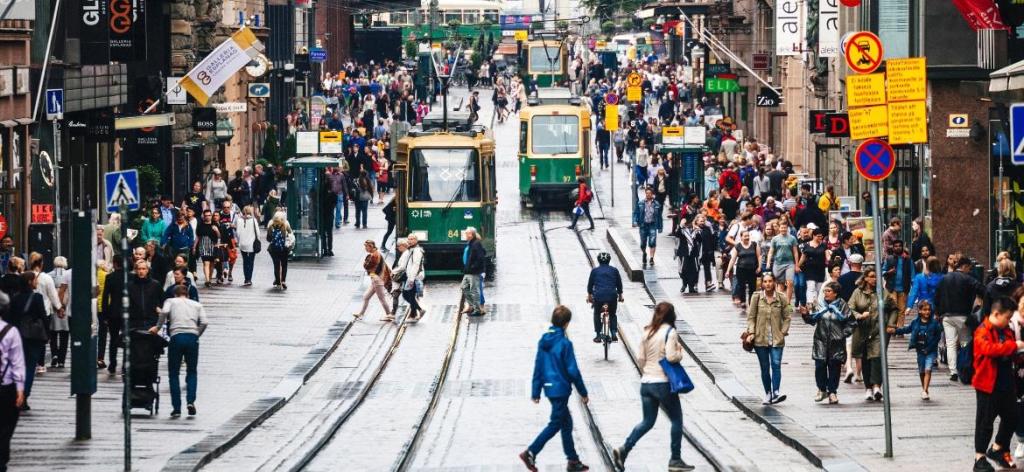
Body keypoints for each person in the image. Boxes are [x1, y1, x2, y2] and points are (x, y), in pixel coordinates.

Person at [612, 302, 693, 471]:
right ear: (671, 316)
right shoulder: (670, 333)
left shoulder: (647, 331)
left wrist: (647, 371)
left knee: (647, 421)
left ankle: (624, 449)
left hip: (646, 383)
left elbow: (640, 358)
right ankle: (675, 459)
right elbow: (671, 357)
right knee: (677, 419)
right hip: (662, 383)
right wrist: (680, 353)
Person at [520, 305, 590, 472]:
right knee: (555, 424)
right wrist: (583, 392)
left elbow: (538, 366)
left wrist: (536, 391)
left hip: (549, 389)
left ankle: (573, 460)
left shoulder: (544, 340)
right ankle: (530, 452)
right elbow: (573, 370)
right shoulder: (565, 344)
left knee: (566, 423)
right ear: (566, 324)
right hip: (561, 389)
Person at [972, 297, 1023, 472]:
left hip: (1006, 383)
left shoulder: (1006, 330)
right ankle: (979, 458)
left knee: (1012, 416)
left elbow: (1011, 352)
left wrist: (1018, 351)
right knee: (985, 422)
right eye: (1007, 317)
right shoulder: (982, 330)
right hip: (987, 384)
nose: (1009, 321)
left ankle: (997, 448)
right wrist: (1014, 346)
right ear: (996, 314)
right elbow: (989, 349)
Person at [150, 285, 208, 418]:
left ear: (175, 294)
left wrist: (158, 327)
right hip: (192, 338)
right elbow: (204, 322)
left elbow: (164, 312)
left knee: (174, 373)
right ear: (187, 294)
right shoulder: (197, 304)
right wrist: (196, 334)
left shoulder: (170, 301)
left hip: (176, 337)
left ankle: (176, 407)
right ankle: (190, 401)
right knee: (192, 371)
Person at [847, 267, 899, 401]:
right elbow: (850, 308)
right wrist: (858, 315)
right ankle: (868, 388)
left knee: (877, 357)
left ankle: (877, 386)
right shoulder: (857, 293)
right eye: (871, 276)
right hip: (862, 330)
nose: (874, 279)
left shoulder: (882, 293)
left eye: (876, 277)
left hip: (879, 330)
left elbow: (894, 309)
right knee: (865, 359)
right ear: (865, 278)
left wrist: (891, 324)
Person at [801, 282, 855, 404]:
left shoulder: (842, 305)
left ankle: (832, 392)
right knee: (820, 366)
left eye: (829, 291)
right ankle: (821, 389)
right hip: (821, 340)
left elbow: (851, 322)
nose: (826, 293)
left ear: (835, 294)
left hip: (836, 342)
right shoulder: (819, 305)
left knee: (834, 367)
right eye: (825, 291)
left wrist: (844, 333)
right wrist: (805, 315)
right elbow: (812, 320)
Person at [744, 273, 793, 404]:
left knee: (776, 365)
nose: (768, 284)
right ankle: (768, 393)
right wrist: (751, 332)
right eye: (765, 282)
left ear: (774, 282)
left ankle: (776, 392)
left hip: (777, 338)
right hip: (760, 339)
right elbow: (751, 317)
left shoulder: (781, 298)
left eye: (770, 281)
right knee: (765, 368)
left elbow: (787, 316)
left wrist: (783, 332)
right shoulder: (756, 297)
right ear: (762, 284)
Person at [935, 255, 986, 382]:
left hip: (946, 316)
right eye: (969, 268)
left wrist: (937, 312)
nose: (970, 271)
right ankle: (964, 369)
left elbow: (936, 296)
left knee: (950, 344)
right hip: (962, 316)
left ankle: (953, 371)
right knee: (965, 343)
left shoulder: (944, 279)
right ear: (965, 266)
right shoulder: (967, 279)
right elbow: (982, 289)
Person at [5, 272, 46, 411]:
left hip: (17, 337)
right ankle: (24, 397)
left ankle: (16, 394)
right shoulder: (37, 297)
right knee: (29, 367)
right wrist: (47, 334)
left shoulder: (15, 299)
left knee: (17, 366)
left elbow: (9, 318)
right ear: (30, 281)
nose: (36, 282)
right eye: (35, 280)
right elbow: (43, 316)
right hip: (33, 337)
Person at [887, 300, 942, 400]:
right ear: (919, 311)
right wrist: (895, 330)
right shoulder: (915, 322)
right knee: (921, 371)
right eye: (924, 310)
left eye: (929, 310)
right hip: (920, 350)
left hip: (930, 350)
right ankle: (924, 387)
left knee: (928, 369)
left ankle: (925, 390)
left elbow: (937, 337)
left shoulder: (934, 323)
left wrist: (930, 348)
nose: (927, 312)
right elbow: (907, 329)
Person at [0, 291, 23, 470]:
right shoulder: (11, 331)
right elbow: (17, 363)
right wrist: (20, 390)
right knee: (6, 426)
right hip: (6, 386)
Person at [30, 254, 63, 369]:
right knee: (41, 337)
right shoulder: (46, 278)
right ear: (41, 264)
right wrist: (59, 308)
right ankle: (40, 363)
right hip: (44, 311)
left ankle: (30, 361)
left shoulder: (26, 276)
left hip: (29, 311)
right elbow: (53, 295)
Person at [587, 252, 623, 343]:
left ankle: (598, 335)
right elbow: (619, 284)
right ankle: (614, 333)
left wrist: (589, 295)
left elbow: (590, 285)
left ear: (598, 261)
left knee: (596, 313)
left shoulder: (595, 271)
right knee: (612, 314)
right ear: (609, 260)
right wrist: (620, 295)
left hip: (598, 296)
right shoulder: (614, 270)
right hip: (612, 296)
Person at [355, 240, 394, 322]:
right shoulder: (375, 254)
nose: (365, 248)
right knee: (366, 297)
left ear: (371, 246)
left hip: (377, 280)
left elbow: (367, 266)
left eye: (366, 246)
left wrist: (366, 264)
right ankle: (361, 314)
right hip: (375, 279)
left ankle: (389, 314)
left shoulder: (374, 255)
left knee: (382, 298)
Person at [882, 239, 915, 326]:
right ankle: (893, 327)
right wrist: (889, 272)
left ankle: (900, 329)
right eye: (896, 246)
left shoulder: (908, 259)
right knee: (893, 308)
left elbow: (912, 274)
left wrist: (914, 287)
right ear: (893, 248)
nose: (898, 248)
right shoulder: (889, 259)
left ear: (902, 247)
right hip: (891, 288)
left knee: (902, 309)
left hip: (904, 288)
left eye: (899, 246)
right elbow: (882, 271)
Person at [394, 234, 426, 321]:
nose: (410, 241)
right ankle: (414, 313)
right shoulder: (411, 250)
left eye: (412, 239)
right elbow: (406, 265)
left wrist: (411, 279)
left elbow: (416, 265)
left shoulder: (417, 251)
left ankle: (418, 310)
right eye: (409, 239)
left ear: (416, 240)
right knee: (409, 295)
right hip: (410, 277)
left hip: (414, 277)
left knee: (408, 294)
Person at [766, 218, 799, 302]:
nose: (783, 229)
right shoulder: (775, 239)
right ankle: (780, 302)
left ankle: (788, 302)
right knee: (780, 284)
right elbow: (771, 252)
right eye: (781, 227)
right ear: (779, 228)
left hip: (789, 263)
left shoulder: (792, 238)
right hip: (778, 263)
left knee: (790, 283)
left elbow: (795, 252)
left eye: (785, 227)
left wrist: (797, 265)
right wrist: (768, 262)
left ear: (787, 228)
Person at [726, 230, 761, 307]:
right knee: (741, 286)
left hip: (752, 268)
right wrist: (728, 271)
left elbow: (759, 256)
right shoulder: (737, 246)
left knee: (752, 286)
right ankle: (743, 301)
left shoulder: (754, 244)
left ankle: (751, 301)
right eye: (745, 236)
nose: (747, 237)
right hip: (741, 269)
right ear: (741, 237)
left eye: (748, 236)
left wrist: (759, 266)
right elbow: (733, 259)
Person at [128, 261, 163, 331]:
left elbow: (162, 299)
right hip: (134, 323)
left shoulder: (155, 285)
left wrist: (158, 308)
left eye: (143, 269)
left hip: (151, 322)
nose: (141, 271)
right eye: (139, 269)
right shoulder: (130, 286)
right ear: (135, 270)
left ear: (147, 270)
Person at [460, 227, 487, 317]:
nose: (466, 235)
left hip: (474, 272)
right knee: (464, 287)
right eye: (466, 233)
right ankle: (472, 305)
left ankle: (478, 309)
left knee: (474, 290)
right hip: (468, 271)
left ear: (472, 235)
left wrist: (473, 267)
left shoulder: (476, 244)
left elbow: (480, 258)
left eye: (467, 234)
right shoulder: (470, 244)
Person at [634, 187, 662, 267]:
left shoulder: (656, 204)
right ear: (645, 194)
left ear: (652, 194)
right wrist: (635, 221)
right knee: (643, 243)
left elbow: (659, 216)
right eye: (647, 193)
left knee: (652, 242)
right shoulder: (640, 203)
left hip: (652, 225)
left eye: (650, 193)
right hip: (643, 225)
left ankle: (651, 258)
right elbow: (636, 212)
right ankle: (644, 253)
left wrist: (660, 227)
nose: (648, 195)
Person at [266, 212, 294, 290]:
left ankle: (278, 282)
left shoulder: (271, 227)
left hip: (274, 249)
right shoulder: (285, 226)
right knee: (284, 265)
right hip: (284, 249)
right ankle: (283, 281)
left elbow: (268, 239)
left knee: (276, 265)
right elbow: (291, 234)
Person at [235, 205, 260, 286]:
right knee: (251, 262)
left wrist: (240, 241)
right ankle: (249, 279)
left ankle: (246, 278)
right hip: (251, 244)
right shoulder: (253, 220)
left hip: (242, 244)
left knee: (245, 261)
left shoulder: (239, 220)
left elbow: (238, 233)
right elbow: (258, 233)